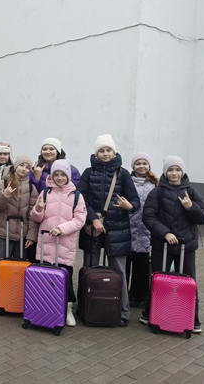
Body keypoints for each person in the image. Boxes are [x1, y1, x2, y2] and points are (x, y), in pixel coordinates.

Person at [139, 156, 204, 333]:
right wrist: (166, 233)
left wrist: (190, 207)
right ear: (165, 172)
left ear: (182, 172)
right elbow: (148, 217)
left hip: (187, 246)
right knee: (157, 279)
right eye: (170, 170)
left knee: (188, 281)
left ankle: (192, 319)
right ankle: (151, 313)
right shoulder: (157, 192)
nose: (174, 173)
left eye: (177, 170)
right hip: (162, 245)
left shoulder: (192, 193)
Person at [77, 134, 140, 327]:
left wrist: (129, 206)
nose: (105, 153)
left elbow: (135, 202)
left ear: (114, 152)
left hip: (118, 230)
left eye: (108, 150)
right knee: (89, 268)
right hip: (93, 228)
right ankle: (85, 308)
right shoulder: (88, 173)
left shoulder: (123, 174)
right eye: (101, 150)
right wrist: (94, 219)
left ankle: (122, 312)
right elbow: (81, 200)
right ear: (96, 153)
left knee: (118, 271)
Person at [29, 160, 87, 327]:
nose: (60, 178)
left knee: (65, 277)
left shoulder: (76, 196)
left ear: (68, 176)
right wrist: (38, 209)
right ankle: (45, 308)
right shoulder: (45, 193)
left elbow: (80, 220)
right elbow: (37, 218)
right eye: (56, 175)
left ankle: (68, 308)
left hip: (65, 243)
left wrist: (62, 228)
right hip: (45, 242)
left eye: (63, 174)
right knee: (45, 276)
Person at [0, 155, 39, 308]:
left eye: (27, 167)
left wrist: (31, 235)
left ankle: (15, 295)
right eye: (21, 165)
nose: (24, 169)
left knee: (17, 268)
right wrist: (6, 194)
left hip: (22, 235)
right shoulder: (3, 182)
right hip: (3, 232)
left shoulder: (32, 187)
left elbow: (33, 214)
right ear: (15, 166)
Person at [27, 138, 81, 262]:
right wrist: (36, 177)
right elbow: (31, 192)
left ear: (58, 151)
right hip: (40, 213)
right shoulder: (36, 168)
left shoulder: (71, 170)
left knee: (61, 253)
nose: (48, 151)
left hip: (63, 216)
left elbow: (71, 192)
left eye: (51, 149)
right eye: (44, 149)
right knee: (40, 250)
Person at [126, 152, 158, 308]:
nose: (141, 166)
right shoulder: (126, 181)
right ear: (133, 166)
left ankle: (139, 296)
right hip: (127, 229)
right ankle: (123, 293)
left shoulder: (155, 184)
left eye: (144, 163)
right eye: (138, 163)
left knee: (142, 266)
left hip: (146, 231)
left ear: (149, 166)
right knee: (125, 264)